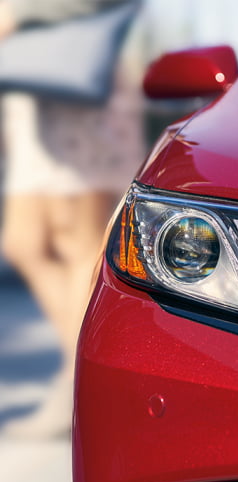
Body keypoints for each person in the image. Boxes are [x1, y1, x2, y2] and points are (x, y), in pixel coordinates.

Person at [0, 0, 145, 438]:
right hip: (36, 90)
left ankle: (83, 387)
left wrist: (18, 16)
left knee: (77, 241)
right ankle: (82, 382)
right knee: (25, 241)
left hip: (75, 86)